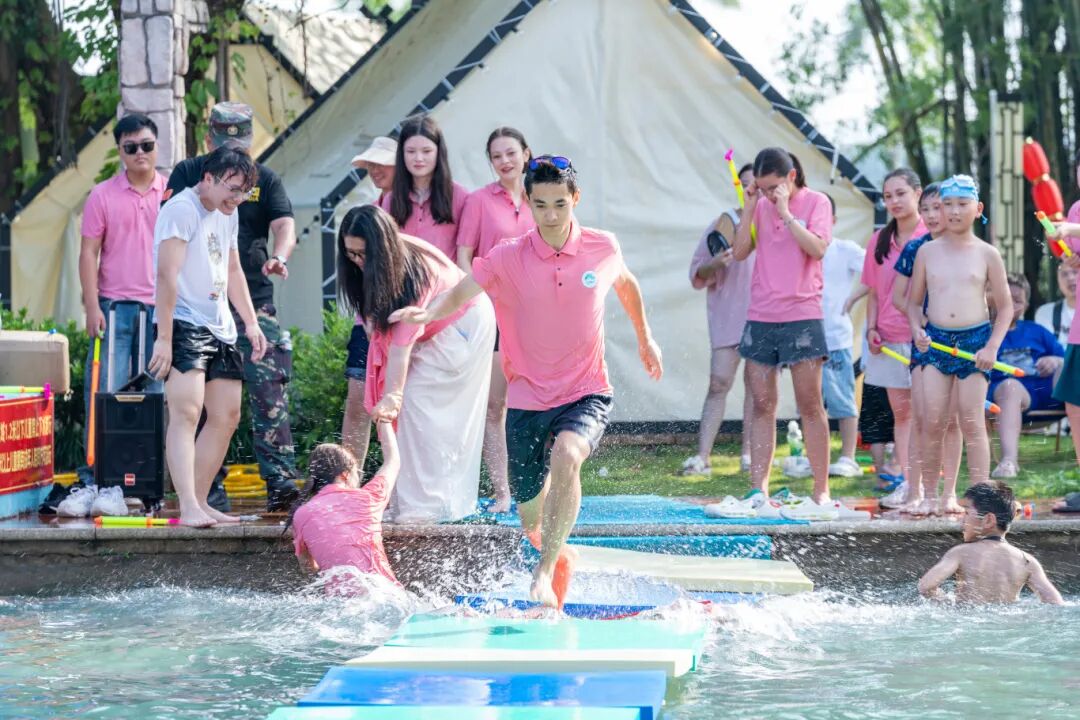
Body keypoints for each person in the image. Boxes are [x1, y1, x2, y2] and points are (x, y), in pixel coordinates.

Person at [390, 155, 663, 608]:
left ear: (575, 198)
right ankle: (556, 555)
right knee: (532, 520)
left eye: (560, 204)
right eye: (540, 205)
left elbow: (626, 284)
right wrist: (428, 313)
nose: (551, 216)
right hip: (528, 396)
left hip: (586, 389)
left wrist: (645, 337)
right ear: (529, 202)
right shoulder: (508, 256)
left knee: (568, 455)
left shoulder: (603, 247)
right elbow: (461, 292)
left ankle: (544, 570)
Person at [164, 102, 300, 512]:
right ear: (209, 142)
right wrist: (164, 334)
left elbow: (281, 226)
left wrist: (280, 256)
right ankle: (203, 493)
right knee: (195, 407)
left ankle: (279, 479)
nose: (236, 196)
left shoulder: (260, 181)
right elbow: (168, 255)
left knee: (259, 393)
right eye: (225, 147)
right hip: (194, 308)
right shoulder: (189, 178)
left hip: (248, 302)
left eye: (241, 148)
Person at [337, 204, 495, 523]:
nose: (357, 261)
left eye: (363, 254)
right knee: (408, 411)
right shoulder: (378, 264)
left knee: (417, 407)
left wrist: (392, 396)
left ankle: (425, 508)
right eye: (351, 254)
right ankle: (403, 503)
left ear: (382, 248)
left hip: (463, 324)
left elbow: (401, 345)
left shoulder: (412, 272)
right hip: (431, 328)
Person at [149, 145, 267, 528]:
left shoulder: (228, 212)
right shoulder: (181, 210)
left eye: (244, 191)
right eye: (232, 189)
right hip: (183, 321)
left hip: (220, 324)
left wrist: (251, 322)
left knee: (227, 415)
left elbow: (232, 269)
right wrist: (164, 338)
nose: (237, 198)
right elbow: (166, 275)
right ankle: (187, 505)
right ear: (208, 178)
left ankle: (199, 500)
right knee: (186, 412)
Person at [61, 113, 167, 518]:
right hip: (114, 309)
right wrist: (91, 307)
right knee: (105, 397)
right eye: (131, 147)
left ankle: (147, 484)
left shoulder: (171, 193)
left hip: (160, 312)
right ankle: (99, 479)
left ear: (157, 147)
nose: (140, 153)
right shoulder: (101, 195)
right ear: (120, 151)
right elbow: (88, 252)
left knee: (154, 399)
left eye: (147, 145)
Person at [732, 148, 833, 511]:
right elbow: (739, 252)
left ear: (791, 177)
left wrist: (787, 212)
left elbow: (818, 249)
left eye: (772, 186)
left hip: (803, 314)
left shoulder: (817, 202)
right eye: (760, 187)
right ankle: (758, 488)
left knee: (810, 403)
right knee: (762, 403)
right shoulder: (759, 205)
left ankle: (821, 489)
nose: (766, 193)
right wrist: (749, 207)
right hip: (761, 314)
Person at [908, 174, 1012, 494]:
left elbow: (1006, 308)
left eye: (962, 204)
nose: (953, 211)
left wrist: (992, 347)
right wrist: (916, 329)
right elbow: (914, 303)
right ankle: (931, 495)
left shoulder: (988, 253)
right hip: (936, 341)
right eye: (947, 205)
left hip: (975, 342)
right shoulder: (927, 252)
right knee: (933, 421)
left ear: (978, 209)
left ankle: (980, 497)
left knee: (971, 421)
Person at [456, 127, 536, 512]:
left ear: (526, 154)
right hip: (494, 316)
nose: (505, 161)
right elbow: (463, 257)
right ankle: (504, 491)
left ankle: (540, 488)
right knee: (495, 406)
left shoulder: (544, 196)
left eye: (511, 153)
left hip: (539, 316)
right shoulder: (478, 202)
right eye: (496, 156)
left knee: (541, 405)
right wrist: (472, 306)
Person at [891, 182, 963, 514]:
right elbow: (900, 298)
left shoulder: (966, 246)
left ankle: (949, 493)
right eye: (926, 209)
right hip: (924, 342)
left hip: (961, 342)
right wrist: (919, 324)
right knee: (922, 418)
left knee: (952, 421)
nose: (933, 215)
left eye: (939, 208)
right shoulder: (916, 248)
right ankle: (916, 490)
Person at [680, 163, 756, 477]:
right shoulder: (724, 224)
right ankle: (703, 456)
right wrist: (714, 263)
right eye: (746, 184)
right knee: (718, 383)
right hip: (728, 316)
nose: (751, 190)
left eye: (756, 184)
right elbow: (697, 273)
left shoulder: (774, 226)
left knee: (758, 389)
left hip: (764, 317)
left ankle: (750, 456)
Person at [861, 168, 926, 501]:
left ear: (918, 193)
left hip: (926, 337)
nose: (894, 201)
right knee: (902, 415)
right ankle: (909, 484)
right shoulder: (879, 240)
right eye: (888, 196)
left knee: (930, 414)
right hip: (888, 338)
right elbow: (874, 292)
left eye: (901, 193)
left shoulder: (933, 234)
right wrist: (872, 328)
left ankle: (929, 484)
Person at [288, 421, 400, 586]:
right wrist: (384, 420)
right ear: (345, 474)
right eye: (357, 472)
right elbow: (393, 460)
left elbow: (307, 567)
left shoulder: (301, 514)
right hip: (382, 592)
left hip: (338, 597)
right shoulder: (368, 499)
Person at [342, 136, 398, 471]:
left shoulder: (418, 213)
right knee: (357, 403)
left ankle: (402, 486)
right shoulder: (370, 210)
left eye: (382, 164)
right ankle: (348, 480)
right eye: (370, 165)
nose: (375, 170)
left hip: (405, 324)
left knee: (400, 408)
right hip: (367, 321)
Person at [918, 482, 1063, 604]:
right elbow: (1055, 602)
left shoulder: (961, 553)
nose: (962, 520)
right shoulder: (1027, 561)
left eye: (967, 513)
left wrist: (949, 603)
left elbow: (926, 586)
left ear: (988, 520)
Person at [988, 274, 1065, 478]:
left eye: (1017, 300)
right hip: (1007, 397)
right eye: (1006, 297)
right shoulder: (984, 333)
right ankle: (1009, 461)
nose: (1011, 304)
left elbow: (1068, 360)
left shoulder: (1036, 331)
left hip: (1046, 393)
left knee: (1069, 369)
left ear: (1026, 305)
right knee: (1010, 387)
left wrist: (1056, 360)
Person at [379, 114, 469, 260]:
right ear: (402, 154)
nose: (418, 158)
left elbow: (467, 255)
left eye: (426, 151)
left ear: (439, 152)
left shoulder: (460, 197)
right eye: (411, 151)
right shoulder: (390, 200)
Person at [820, 193, 865, 478]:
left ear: (833, 220)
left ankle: (848, 457)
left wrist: (855, 296)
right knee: (811, 403)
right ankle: (816, 456)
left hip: (836, 338)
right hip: (804, 339)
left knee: (842, 400)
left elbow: (878, 271)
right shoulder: (800, 250)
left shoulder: (845, 250)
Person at [1034, 263, 1077, 348]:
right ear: (1058, 281)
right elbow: (1046, 348)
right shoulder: (1046, 313)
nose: (1070, 278)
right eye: (1064, 274)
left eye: (1075, 272)